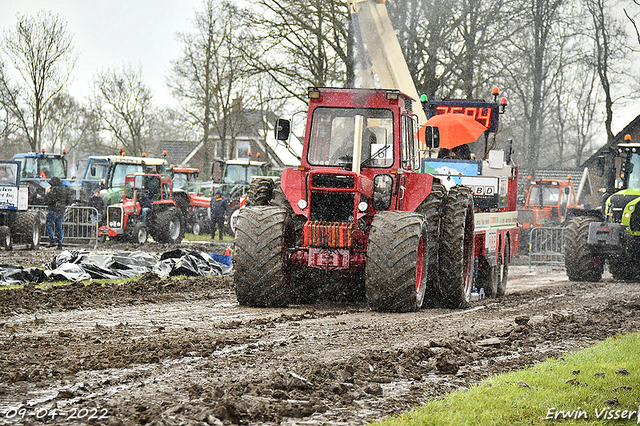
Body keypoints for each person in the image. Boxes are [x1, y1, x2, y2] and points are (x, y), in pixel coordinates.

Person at [44, 177, 69, 249]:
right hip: (61, 210)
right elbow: (68, 200)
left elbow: (49, 200)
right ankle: (60, 243)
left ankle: (52, 241)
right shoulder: (64, 190)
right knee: (59, 227)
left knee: (48, 225)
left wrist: (47, 195)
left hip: (53, 209)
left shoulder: (53, 190)